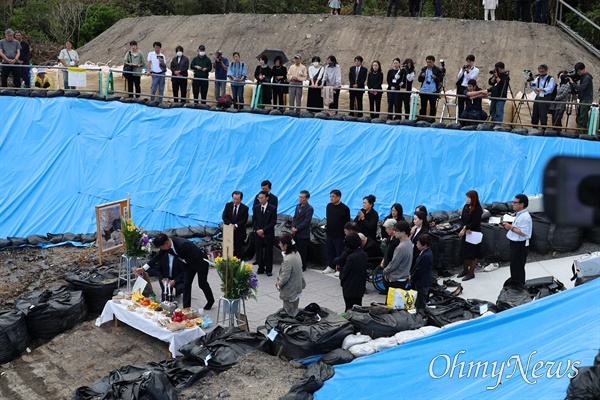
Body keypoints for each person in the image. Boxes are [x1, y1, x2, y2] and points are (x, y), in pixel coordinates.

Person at [137, 233, 215, 310]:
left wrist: (183, 260)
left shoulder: (184, 244)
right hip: (187, 264)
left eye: (161, 247)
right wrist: (143, 268)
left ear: (166, 244)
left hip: (200, 262)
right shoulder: (167, 246)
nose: (161, 249)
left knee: (202, 283)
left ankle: (211, 301)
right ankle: (186, 308)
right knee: (187, 284)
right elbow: (157, 257)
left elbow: (196, 256)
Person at [501, 194, 533, 287]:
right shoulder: (520, 215)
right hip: (515, 244)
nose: (512, 204)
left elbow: (524, 232)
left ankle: (519, 287)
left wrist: (510, 227)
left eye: (515, 203)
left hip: (520, 245)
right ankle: (515, 284)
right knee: (514, 267)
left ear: (522, 204)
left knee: (518, 267)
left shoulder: (525, 217)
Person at [276, 233, 306, 316]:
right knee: (295, 311)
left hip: (290, 291)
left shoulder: (288, 260)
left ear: (285, 245)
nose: (279, 245)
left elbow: (285, 278)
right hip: (297, 288)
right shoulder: (296, 253)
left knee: (288, 314)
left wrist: (279, 284)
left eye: (280, 244)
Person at [457, 190, 483, 281]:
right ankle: (465, 270)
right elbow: (462, 219)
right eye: (467, 197)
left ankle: (471, 272)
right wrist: (464, 227)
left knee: (473, 253)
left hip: (474, 233)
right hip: (466, 232)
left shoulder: (477, 209)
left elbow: (475, 222)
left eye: (469, 198)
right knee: (465, 252)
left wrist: (466, 228)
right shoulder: (466, 207)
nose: (467, 199)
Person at [323, 189, 351, 274]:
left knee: (339, 252)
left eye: (333, 196)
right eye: (330, 196)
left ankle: (339, 268)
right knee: (330, 251)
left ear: (338, 197)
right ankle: (330, 266)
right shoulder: (329, 206)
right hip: (330, 233)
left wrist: (346, 233)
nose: (331, 198)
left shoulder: (345, 208)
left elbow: (347, 222)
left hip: (339, 235)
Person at [339, 233, 368, 311]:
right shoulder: (364, 255)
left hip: (350, 288)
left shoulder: (350, 258)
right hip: (360, 287)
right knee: (358, 306)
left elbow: (344, 274)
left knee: (349, 308)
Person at [253, 190, 277, 276]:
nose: (260, 199)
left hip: (268, 233)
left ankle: (269, 269)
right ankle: (261, 268)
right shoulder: (256, 208)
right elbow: (254, 220)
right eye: (259, 198)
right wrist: (258, 230)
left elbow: (273, 222)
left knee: (268, 252)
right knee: (259, 251)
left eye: (262, 198)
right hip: (258, 233)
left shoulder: (272, 208)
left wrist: (263, 230)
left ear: (267, 198)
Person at [383, 220, 413, 290]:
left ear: (403, 232)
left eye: (396, 230)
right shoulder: (409, 242)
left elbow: (394, 264)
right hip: (403, 277)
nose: (394, 232)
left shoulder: (401, 247)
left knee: (392, 300)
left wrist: (385, 271)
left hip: (396, 279)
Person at [410, 234, 433, 316]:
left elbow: (420, 270)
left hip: (422, 281)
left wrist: (412, 276)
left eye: (419, 244)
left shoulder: (426, 255)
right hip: (421, 280)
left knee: (421, 301)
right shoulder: (424, 253)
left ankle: (421, 315)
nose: (417, 246)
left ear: (425, 245)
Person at [222, 191, 249, 259]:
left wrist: (236, 225)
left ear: (241, 199)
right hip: (228, 230)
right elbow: (224, 216)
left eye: (237, 199)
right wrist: (230, 225)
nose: (235, 201)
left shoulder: (244, 208)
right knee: (228, 248)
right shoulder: (228, 205)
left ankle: (237, 262)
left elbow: (244, 220)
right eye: (234, 199)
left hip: (239, 231)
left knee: (238, 248)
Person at [292, 190, 314, 271]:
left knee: (302, 251)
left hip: (303, 233)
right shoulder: (298, 206)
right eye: (300, 197)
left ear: (307, 198)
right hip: (296, 233)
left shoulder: (309, 208)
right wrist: (293, 226)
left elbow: (307, 221)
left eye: (302, 197)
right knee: (295, 250)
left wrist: (297, 228)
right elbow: (294, 217)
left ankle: (302, 266)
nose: (300, 199)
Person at [569, 62, 594, 129]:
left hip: (586, 99)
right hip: (583, 99)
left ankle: (582, 131)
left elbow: (580, 89)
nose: (578, 73)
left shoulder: (587, 77)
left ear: (583, 69)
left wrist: (572, 83)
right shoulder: (583, 76)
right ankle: (579, 129)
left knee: (583, 116)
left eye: (579, 71)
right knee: (579, 115)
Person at [418, 55, 443, 120]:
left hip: (432, 90)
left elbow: (441, 79)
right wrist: (422, 76)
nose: (428, 64)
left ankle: (432, 119)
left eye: (430, 62)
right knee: (423, 106)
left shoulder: (437, 70)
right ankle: (422, 118)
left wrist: (435, 78)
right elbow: (419, 79)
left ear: (433, 62)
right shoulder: (424, 69)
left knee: (432, 106)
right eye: (427, 62)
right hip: (424, 90)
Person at [530, 64, 555, 128]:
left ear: (546, 71)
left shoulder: (550, 79)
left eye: (543, 71)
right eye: (540, 72)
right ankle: (534, 127)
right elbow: (533, 85)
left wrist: (542, 89)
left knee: (543, 113)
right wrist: (531, 82)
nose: (541, 73)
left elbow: (550, 88)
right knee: (535, 112)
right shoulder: (538, 78)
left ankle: (543, 128)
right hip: (538, 96)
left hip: (546, 97)